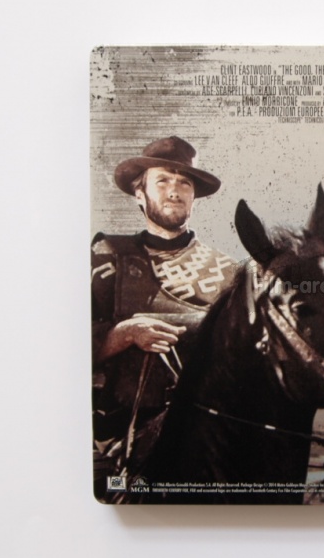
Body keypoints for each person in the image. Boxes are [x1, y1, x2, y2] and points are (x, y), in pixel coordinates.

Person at [91, 136, 238, 500]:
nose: (175, 191)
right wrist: (123, 334)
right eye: (163, 181)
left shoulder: (229, 274)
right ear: (139, 194)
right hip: (115, 443)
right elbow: (56, 347)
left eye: (184, 183)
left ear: (194, 196)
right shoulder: (107, 257)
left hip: (208, 447)